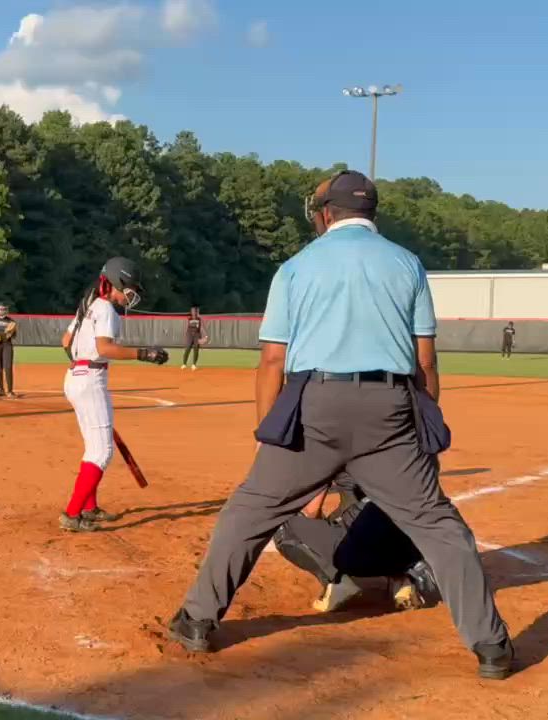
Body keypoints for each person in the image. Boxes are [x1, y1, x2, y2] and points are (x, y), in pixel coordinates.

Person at [166, 170, 514, 680]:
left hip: (314, 403)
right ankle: (491, 647)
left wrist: (271, 432)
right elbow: (427, 362)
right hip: (390, 406)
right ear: (370, 213)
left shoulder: (296, 266)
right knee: (440, 526)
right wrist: (420, 422)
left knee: (251, 511)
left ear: (325, 213)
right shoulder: (407, 263)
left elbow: (271, 361)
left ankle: (197, 620)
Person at [59, 257, 169, 532]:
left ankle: (88, 507)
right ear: (115, 283)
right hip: (91, 379)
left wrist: (81, 359)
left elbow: (65, 341)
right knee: (102, 451)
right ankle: (72, 514)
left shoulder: (88, 305)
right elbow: (106, 348)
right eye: (129, 289)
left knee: (94, 446)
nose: (131, 295)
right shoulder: (106, 309)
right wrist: (145, 353)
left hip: (76, 376)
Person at [274, 474, 441, 614]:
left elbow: (312, 510)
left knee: (284, 526)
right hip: (412, 522)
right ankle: (402, 580)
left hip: (367, 529)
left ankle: (338, 581)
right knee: (370, 508)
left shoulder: (327, 441)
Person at [0, 303, 18, 399]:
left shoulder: (11, 321)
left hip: (7, 345)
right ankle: (1, 389)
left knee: (8, 367)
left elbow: (14, 336)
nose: (1, 311)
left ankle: (10, 391)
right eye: (0, 309)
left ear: (6, 310)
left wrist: (11, 334)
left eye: (3, 309)